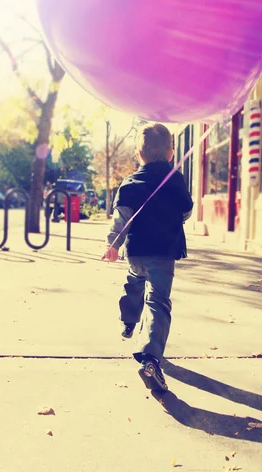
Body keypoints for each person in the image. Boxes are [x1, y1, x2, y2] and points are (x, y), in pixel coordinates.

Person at [102, 123, 193, 392]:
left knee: (134, 282)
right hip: (163, 253)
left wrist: (112, 246)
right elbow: (186, 212)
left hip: (137, 252)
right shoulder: (176, 180)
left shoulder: (129, 185)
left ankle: (128, 323)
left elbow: (121, 221)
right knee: (157, 302)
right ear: (171, 154)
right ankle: (150, 359)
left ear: (138, 155)